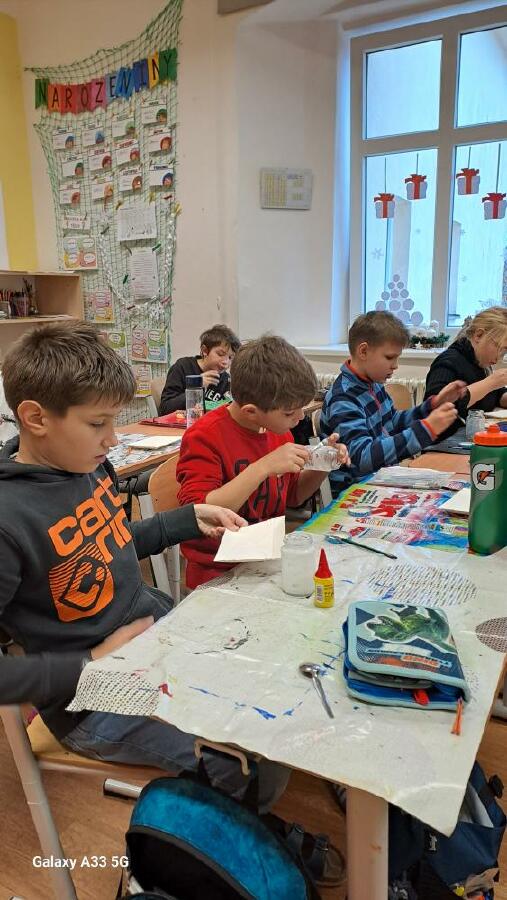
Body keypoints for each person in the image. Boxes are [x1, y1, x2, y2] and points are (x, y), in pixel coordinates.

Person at [0, 321, 290, 813]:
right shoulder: (9, 519)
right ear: (35, 418)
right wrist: (89, 663)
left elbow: (107, 544)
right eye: (98, 424)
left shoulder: (84, 464)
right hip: (90, 699)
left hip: (154, 638)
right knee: (244, 767)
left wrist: (186, 520)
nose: (112, 439)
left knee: (272, 692)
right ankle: (222, 841)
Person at [176, 335, 349, 589]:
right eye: (289, 412)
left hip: (266, 560)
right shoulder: (204, 436)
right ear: (251, 411)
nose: (300, 417)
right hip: (216, 572)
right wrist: (263, 467)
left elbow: (293, 496)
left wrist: (322, 465)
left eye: (301, 408)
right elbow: (200, 513)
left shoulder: (278, 431)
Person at [319, 311, 466, 495]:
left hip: (380, 480)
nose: (395, 365)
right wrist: (425, 430)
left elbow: (393, 423)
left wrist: (432, 406)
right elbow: (362, 459)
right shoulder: (343, 398)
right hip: (353, 492)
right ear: (363, 351)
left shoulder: (373, 384)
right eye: (389, 357)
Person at [424, 307, 507, 440]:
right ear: (478, 335)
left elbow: (495, 395)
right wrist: (490, 383)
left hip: (469, 438)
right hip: (445, 444)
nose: (500, 358)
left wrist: (498, 388)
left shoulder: (480, 362)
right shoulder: (448, 361)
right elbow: (436, 409)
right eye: (500, 348)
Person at [159, 324, 241, 415]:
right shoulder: (182, 367)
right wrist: (196, 388)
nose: (226, 362)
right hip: (183, 423)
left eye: (230, 358)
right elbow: (165, 409)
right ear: (205, 351)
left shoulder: (226, 379)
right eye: (220, 354)